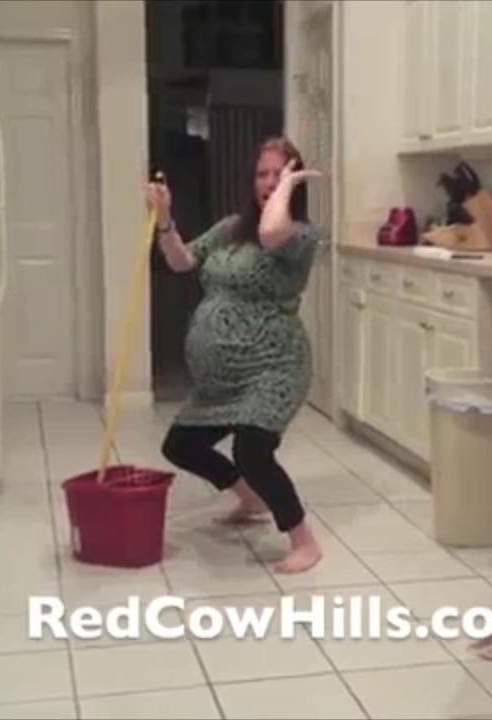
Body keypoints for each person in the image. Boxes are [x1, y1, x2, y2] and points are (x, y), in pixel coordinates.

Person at [146, 136, 325, 574]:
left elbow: (271, 232)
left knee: (252, 451)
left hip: (273, 368)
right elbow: (181, 261)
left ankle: (304, 541)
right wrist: (165, 219)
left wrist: (286, 188)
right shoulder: (230, 228)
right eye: (262, 174)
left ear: (295, 180)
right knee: (181, 445)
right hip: (222, 382)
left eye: (279, 174)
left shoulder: (301, 235)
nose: (269, 182)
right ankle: (250, 499)